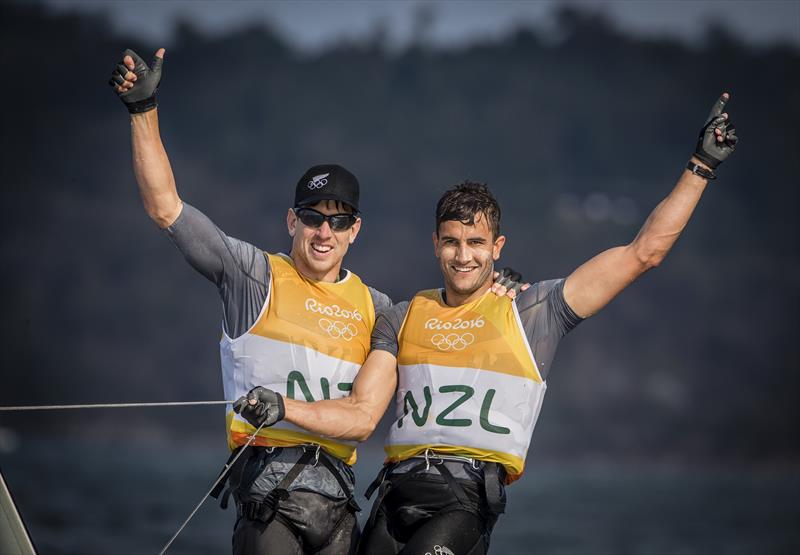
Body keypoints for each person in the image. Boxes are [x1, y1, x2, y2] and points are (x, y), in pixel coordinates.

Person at [235, 93, 738, 554]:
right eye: (451, 242)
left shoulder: (533, 311)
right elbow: (364, 411)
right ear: (436, 245)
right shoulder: (400, 314)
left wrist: (700, 167)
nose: (463, 257)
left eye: (476, 244)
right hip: (392, 499)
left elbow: (642, 253)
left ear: (497, 248)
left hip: (463, 504)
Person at [108, 48, 524, 555]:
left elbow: (451, 329)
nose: (325, 231)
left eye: (340, 220)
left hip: (340, 514)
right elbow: (165, 207)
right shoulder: (252, 275)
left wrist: (502, 287)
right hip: (269, 500)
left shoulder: (378, 307)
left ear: (356, 230)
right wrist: (142, 110)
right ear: (292, 221)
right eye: (313, 217)